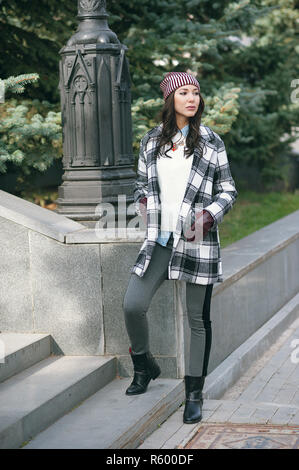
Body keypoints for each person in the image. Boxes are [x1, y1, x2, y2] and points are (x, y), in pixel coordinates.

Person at [122, 71, 238, 424]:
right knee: (132, 305)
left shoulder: (211, 143)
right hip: (159, 239)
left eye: (196, 93)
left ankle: (193, 393)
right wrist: (142, 202)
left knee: (198, 320)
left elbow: (228, 191)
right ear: (170, 99)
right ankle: (144, 366)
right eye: (184, 92)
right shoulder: (150, 142)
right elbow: (140, 184)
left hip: (196, 242)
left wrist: (209, 216)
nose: (192, 98)